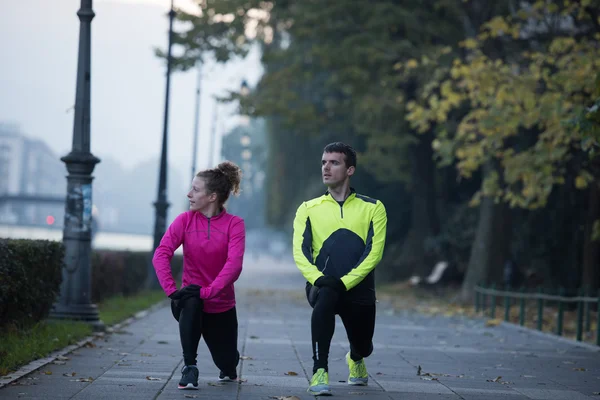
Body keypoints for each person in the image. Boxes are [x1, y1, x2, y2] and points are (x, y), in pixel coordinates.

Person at [292, 142, 387, 396]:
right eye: (324, 162)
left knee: (364, 345)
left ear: (350, 170)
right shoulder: (308, 209)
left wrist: (345, 282)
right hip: (322, 284)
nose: (326, 167)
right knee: (326, 297)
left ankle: (355, 358)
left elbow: (373, 253)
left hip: (359, 288)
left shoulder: (373, 208)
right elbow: (300, 253)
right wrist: (320, 279)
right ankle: (319, 370)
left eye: (334, 162)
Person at [152, 161, 246, 390]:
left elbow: (234, 265)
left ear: (212, 196)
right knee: (191, 299)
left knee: (227, 366)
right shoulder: (184, 220)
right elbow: (161, 254)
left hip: (220, 306)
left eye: (195, 189)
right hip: (190, 301)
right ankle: (189, 367)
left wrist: (209, 291)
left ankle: (228, 360)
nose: (189, 194)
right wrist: (172, 291)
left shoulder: (235, 225)